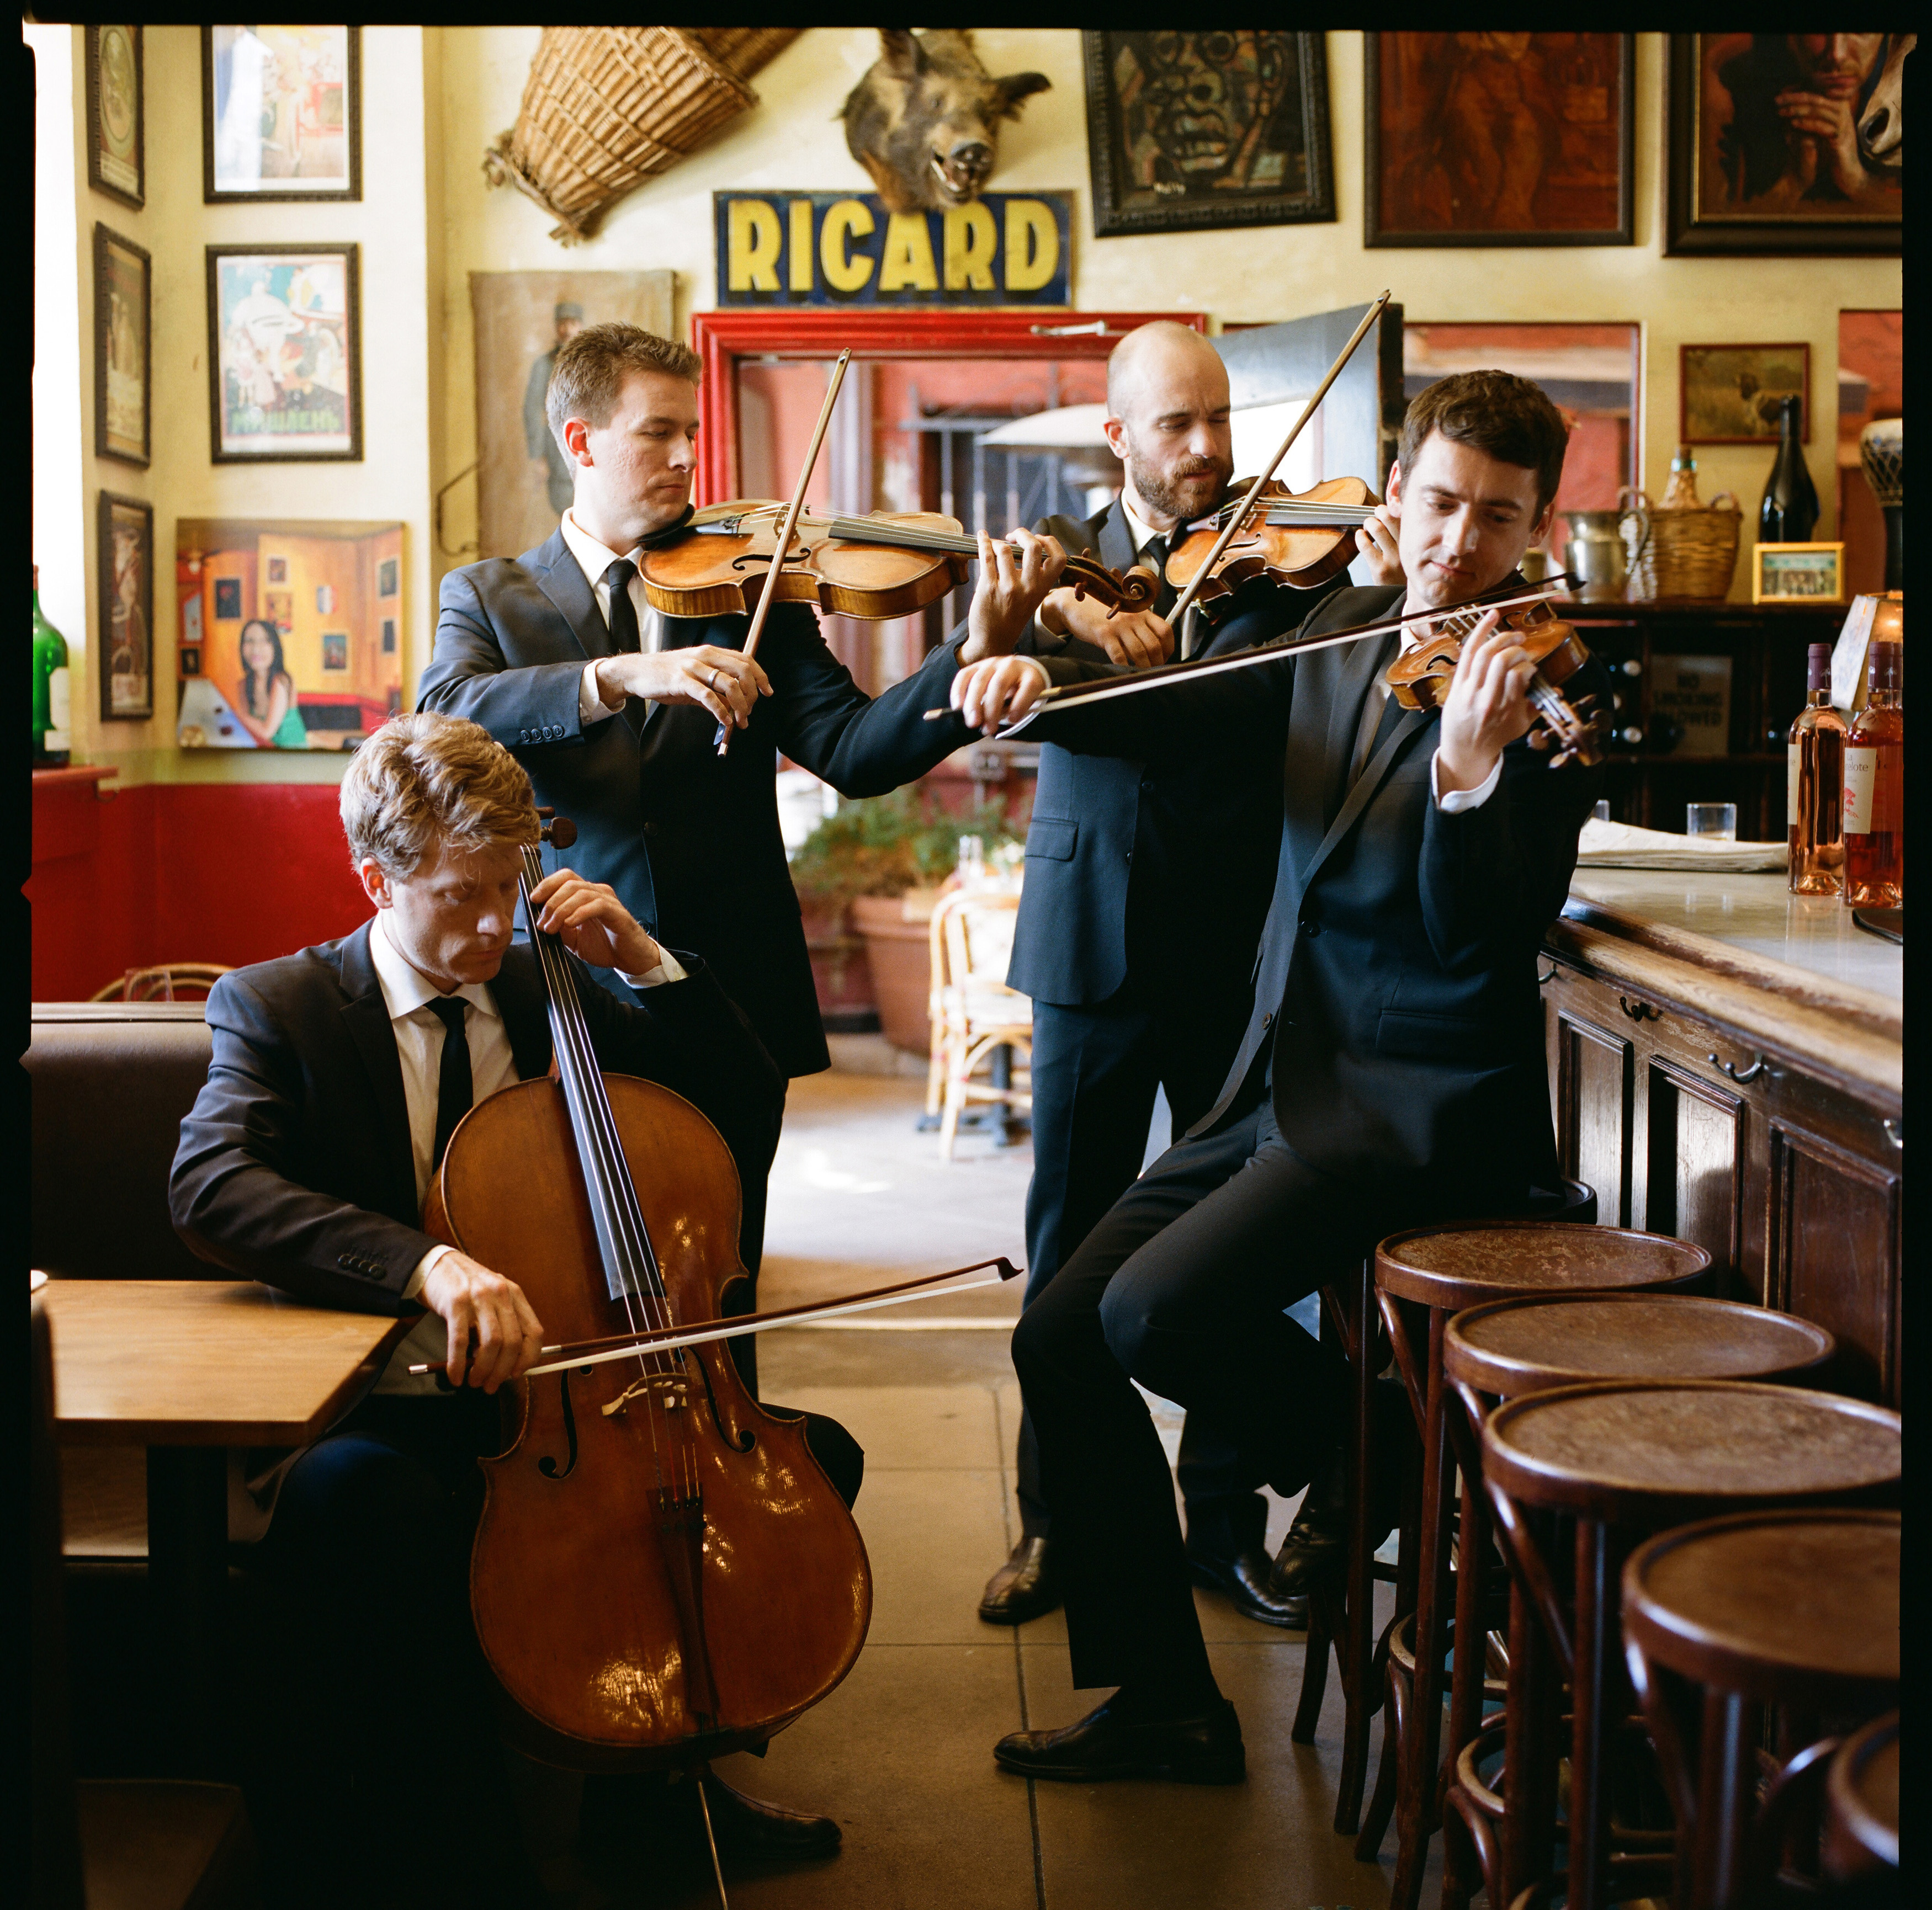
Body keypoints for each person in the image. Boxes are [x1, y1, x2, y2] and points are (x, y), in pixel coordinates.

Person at [948, 370, 1607, 1783]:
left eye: (1498, 517)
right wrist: (1034, 686)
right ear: (1396, 494)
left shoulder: (1549, 696)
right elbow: (1177, 717)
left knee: (1147, 1314)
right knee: (1057, 1334)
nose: (1458, 543)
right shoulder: (1341, 627)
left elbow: (1478, 937)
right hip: (1279, 1070)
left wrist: (1469, 778)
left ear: (1539, 522)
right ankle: (1168, 1701)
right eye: (1439, 503)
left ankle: (1393, 1457)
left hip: (1411, 1106)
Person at [169, 712, 859, 1906]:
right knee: (369, 1506)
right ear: (375, 878)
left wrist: (644, 957)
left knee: (807, 1467)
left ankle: (652, 1778)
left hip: (572, 1393)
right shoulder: (280, 1006)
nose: (493, 921)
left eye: (510, 882)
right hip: (393, 1397)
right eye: (458, 893)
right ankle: (468, 1849)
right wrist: (423, 1264)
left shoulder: (554, 994)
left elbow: (738, 1106)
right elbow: (212, 1183)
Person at [418, 322, 1067, 1377]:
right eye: (660, 434)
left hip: (723, 993)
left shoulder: (748, 591)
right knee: (566, 1277)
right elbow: (444, 711)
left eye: (693, 434)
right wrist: (627, 674)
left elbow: (856, 749)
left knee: (723, 1279)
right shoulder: (488, 596)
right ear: (580, 442)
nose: (687, 460)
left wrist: (977, 648)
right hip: (559, 988)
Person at [976, 320, 1403, 1631]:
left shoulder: (1282, 566)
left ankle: (1221, 1525)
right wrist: (1034, 625)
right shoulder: (1055, 560)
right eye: (1177, 425)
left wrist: (1375, 592)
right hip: (1090, 942)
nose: (1211, 449)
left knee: (1232, 1254)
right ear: (1120, 438)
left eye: (1221, 418)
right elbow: (1009, 691)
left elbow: (1291, 691)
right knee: (1066, 1250)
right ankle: (1068, 1524)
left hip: (1235, 945)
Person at [524, 299, 585, 515]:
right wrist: (538, 456)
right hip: (559, 450)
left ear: (581, 325)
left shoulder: (593, 363)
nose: (568, 329)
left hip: (595, 446)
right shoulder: (544, 365)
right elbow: (532, 409)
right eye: (563, 323)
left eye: (573, 323)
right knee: (565, 504)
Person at [233, 617, 307, 749]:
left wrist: (234, 714)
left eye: (265, 641)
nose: (256, 649)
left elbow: (267, 731)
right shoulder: (243, 684)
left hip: (294, 755)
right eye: (249, 641)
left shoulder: (281, 681)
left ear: (275, 647)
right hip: (265, 750)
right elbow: (245, 722)